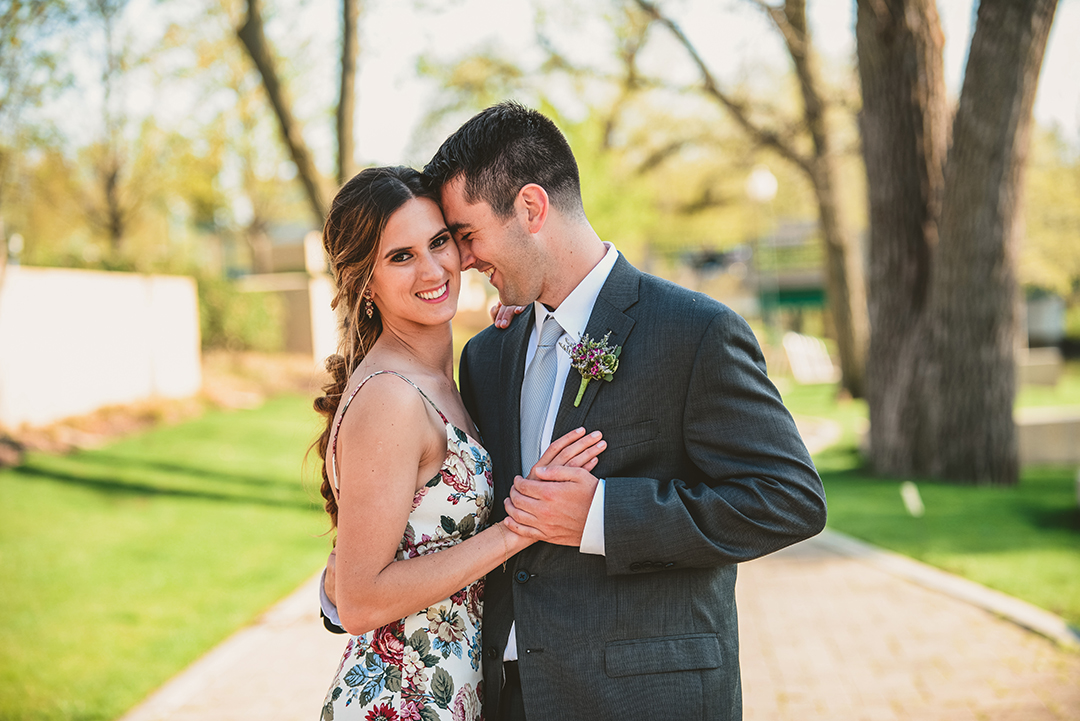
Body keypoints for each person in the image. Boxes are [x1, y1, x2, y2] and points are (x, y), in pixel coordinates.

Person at [325, 102, 827, 720]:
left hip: (645, 698)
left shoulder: (694, 333)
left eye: (462, 236)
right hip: (500, 699)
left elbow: (789, 499)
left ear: (531, 209)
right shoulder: (487, 357)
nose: (461, 261)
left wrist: (602, 516)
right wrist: (348, 591)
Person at [312, 165, 606, 721]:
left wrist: (527, 322)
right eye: (400, 256)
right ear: (364, 283)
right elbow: (357, 600)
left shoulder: (449, 376)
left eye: (440, 241)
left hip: (453, 694)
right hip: (399, 702)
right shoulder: (391, 398)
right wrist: (520, 528)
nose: (432, 268)